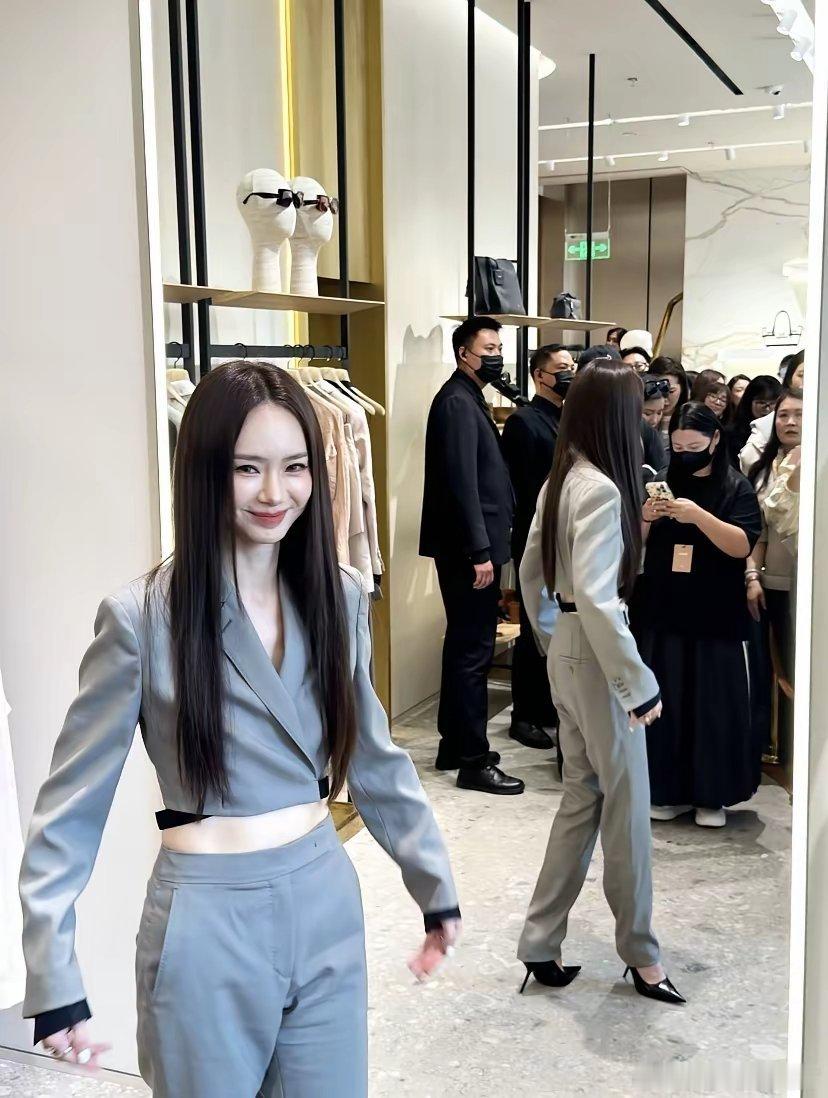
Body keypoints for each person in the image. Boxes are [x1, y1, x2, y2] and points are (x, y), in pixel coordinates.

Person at [18, 362, 460, 1097]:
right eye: (246, 468)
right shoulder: (142, 618)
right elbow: (68, 812)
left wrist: (433, 885)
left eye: (294, 467)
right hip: (206, 919)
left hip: (325, 896)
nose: (273, 493)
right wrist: (53, 975)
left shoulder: (341, 595)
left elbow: (375, 757)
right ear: (203, 471)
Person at [517, 361, 684, 1007]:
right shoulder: (602, 488)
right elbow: (596, 593)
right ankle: (641, 955)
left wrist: (551, 640)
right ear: (617, 415)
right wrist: (636, 682)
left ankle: (540, 940)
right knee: (626, 812)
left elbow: (531, 569)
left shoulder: (563, 477)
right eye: (636, 407)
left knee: (581, 799)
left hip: (569, 649)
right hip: (596, 653)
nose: (644, 418)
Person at [633, 402, 762, 829]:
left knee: (713, 706)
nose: (685, 455)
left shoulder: (736, 487)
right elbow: (637, 543)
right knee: (667, 702)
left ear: (715, 439)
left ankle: (712, 796)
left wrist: (699, 517)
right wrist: (646, 517)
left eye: (694, 447)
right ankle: (666, 790)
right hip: (666, 607)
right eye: (678, 447)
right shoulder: (662, 480)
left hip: (715, 614)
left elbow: (742, 544)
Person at [420, 317, 524, 795]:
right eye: (490, 348)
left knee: (465, 646)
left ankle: (455, 744)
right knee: (474, 651)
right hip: (469, 550)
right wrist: (479, 550)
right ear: (464, 352)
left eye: (500, 347)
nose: (497, 355)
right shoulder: (457, 401)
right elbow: (462, 482)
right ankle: (472, 760)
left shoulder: (467, 397)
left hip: (471, 545)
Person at [501, 345, 572, 753]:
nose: (568, 374)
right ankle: (523, 714)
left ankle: (546, 705)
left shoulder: (567, 417)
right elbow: (522, 487)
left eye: (572, 367)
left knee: (557, 624)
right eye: (561, 368)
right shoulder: (523, 422)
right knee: (533, 625)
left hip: (563, 535)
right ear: (539, 376)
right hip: (535, 533)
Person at [745, 389, 803, 762]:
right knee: (770, 665)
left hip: (810, 584)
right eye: (783, 415)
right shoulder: (762, 469)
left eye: (799, 414)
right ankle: (771, 746)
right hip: (773, 582)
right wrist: (752, 576)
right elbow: (759, 533)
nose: (790, 422)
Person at [741, 351, 804, 472]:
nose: (791, 422)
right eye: (802, 375)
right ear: (789, 378)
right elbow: (748, 460)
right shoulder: (764, 427)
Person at [727, 375, 782, 467]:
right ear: (749, 402)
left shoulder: (783, 432)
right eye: (761, 403)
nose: (767, 409)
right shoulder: (731, 434)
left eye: (772, 403)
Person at [650, 356, 690, 449]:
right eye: (658, 390)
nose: (664, 398)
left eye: (671, 391)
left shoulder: (689, 419)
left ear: (682, 388)